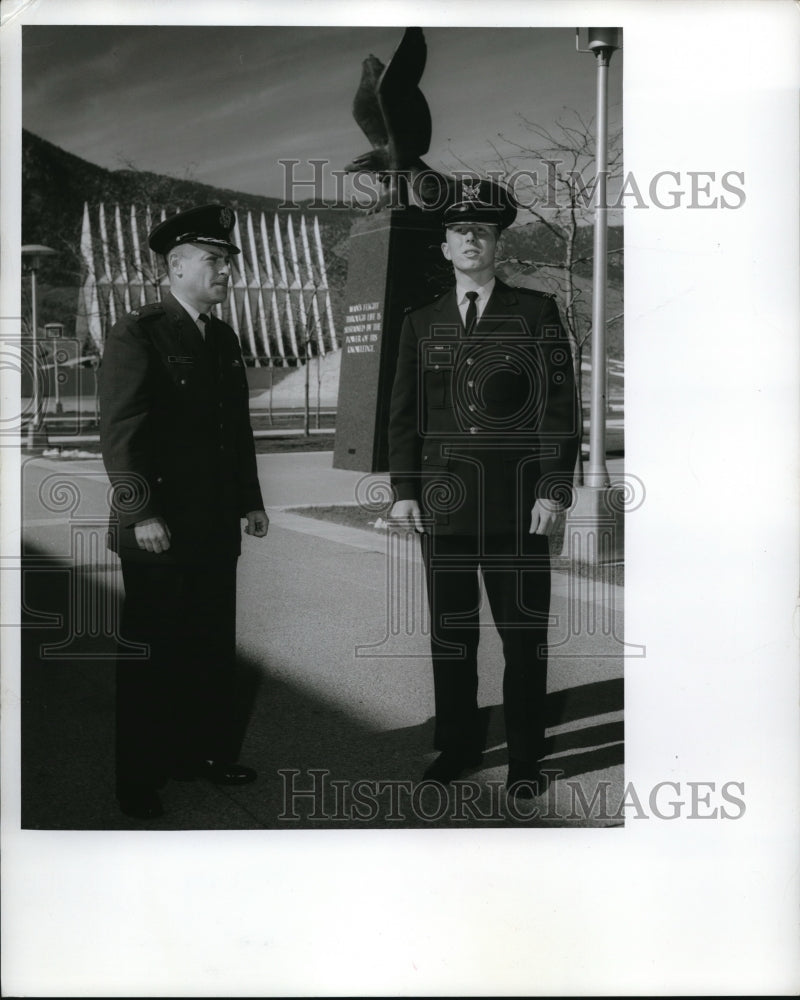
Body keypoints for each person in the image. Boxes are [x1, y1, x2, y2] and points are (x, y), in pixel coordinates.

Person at [388, 179, 580, 797]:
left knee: (523, 638)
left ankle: (526, 755)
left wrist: (553, 491)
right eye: (459, 232)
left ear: (498, 243)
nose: (470, 240)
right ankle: (459, 747)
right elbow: (404, 414)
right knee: (453, 634)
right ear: (444, 247)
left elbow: (559, 408)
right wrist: (405, 489)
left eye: (482, 231)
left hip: (516, 505)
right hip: (442, 506)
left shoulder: (535, 312)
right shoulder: (420, 321)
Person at [99, 204, 269, 819]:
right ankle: (138, 778)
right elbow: (122, 434)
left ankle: (204, 754)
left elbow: (235, 432)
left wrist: (249, 500)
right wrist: (142, 512)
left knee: (210, 647)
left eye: (228, 262)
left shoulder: (221, 337)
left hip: (212, 524)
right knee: (153, 655)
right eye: (214, 260)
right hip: (158, 529)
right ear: (175, 267)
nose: (227, 271)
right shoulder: (137, 332)